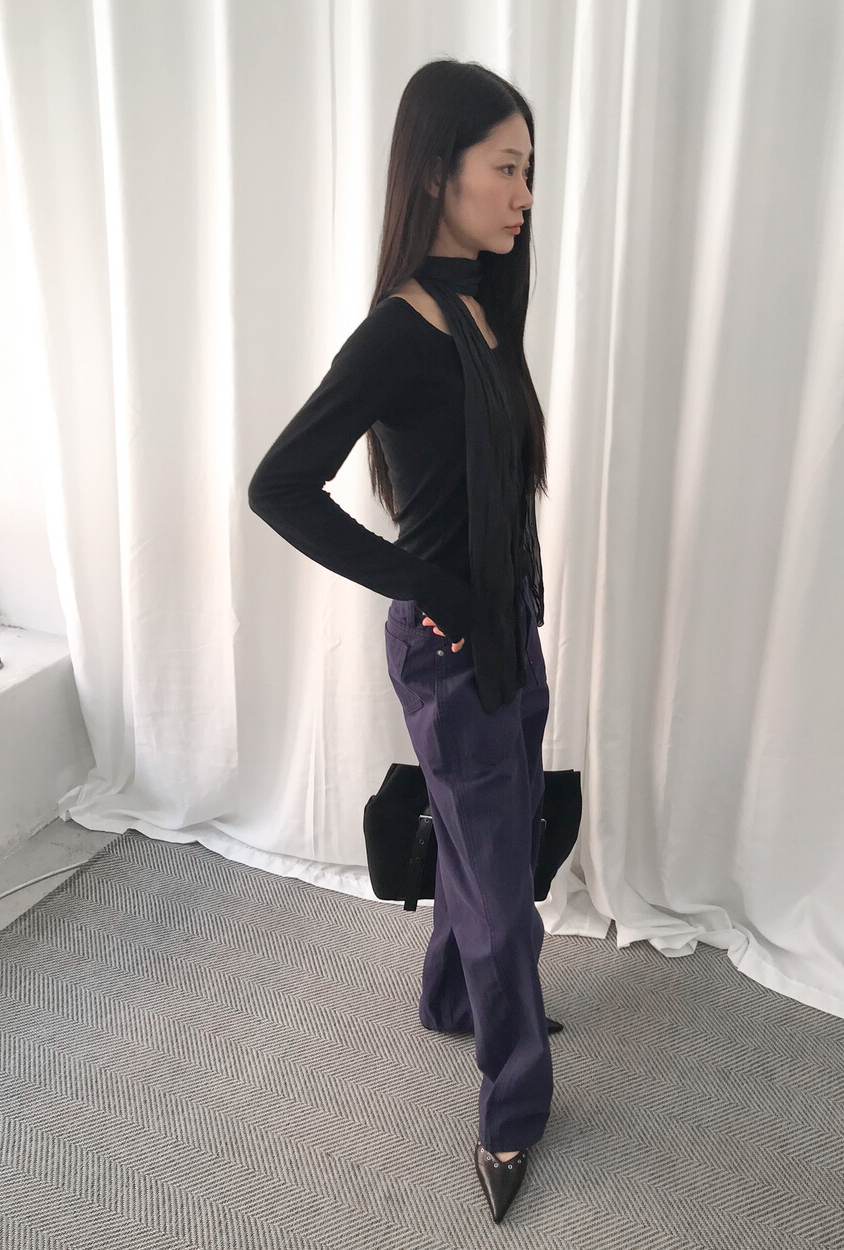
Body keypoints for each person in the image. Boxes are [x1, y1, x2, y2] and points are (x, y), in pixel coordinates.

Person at [247, 58, 554, 1224]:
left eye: (529, 171)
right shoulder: (396, 333)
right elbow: (280, 485)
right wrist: (424, 583)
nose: (524, 195)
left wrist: (508, 600)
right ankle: (512, 1106)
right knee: (498, 882)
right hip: (451, 649)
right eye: (506, 169)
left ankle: (451, 996)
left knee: (495, 847)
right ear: (437, 172)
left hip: (506, 627)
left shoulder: (479, 303)